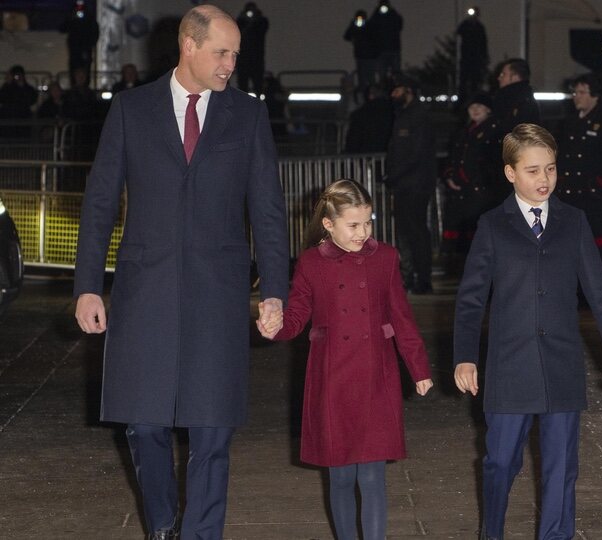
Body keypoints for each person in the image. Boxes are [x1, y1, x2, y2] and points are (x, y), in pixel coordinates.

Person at [73, 5, 289, 539]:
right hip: (144, 290)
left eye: (235, 54)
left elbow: (266, 209)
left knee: (212, 432)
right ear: (188, 46)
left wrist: (275, 291)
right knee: (144, 425)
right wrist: (86, 287)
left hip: (218, 293)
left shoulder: (248, 114)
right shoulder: (130, 109)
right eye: (221, 52)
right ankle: (165, 526)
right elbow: (100, 201)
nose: (229, 65)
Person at [453, 123, 602, 540]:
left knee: (561, 468)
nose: (544, 180)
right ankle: (492, 533)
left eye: (550, 169)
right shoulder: (492, 226)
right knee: (500, 462)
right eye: (532, 170)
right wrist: (465, 356)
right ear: (510, 173)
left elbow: (599, 290)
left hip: (561, 367)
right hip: (509, 366)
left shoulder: (574, 221)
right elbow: (470, 299)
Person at [268, 178, 433, 540]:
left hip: (377, 375)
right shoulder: (312, 263)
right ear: (329, 224)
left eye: (368, 222)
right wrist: (275, 326)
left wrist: (418, 368)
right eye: (354, 225)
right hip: (332, 380)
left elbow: (402, 317)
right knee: (341, 476)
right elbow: (296, 316)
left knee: (372, 475)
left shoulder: (385, 258)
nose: (363, 232)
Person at [557, 72, 602, 276]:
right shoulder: (568, 123)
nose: (576, 96)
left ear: (595, 95)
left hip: (594, 196)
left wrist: (600, 183)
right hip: (570, 194)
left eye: (581, 92)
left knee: (597, 248)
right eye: (575, 92)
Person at [383, 75, 436, 294]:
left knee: (416, 231)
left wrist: (394, 174)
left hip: (415, 183)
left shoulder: (418, 116)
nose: (393, 95)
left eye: (397, 90)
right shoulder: (404, 115)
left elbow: (416, 153)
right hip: (405, 183)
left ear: (409, 91)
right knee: (407, 231)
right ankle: (413, 276)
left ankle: (422, 278)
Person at [440, 92, 495, 275]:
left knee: (477, 229)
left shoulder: (493, 131)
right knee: (459, 230)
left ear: (488, 110)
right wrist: (450, 176)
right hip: (460, 191)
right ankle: (459, 268)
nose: (476, 110)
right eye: (472, 107)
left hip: (480, 190)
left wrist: (477, 181)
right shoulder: (463, 132)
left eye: (480, 107)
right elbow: (453, 158)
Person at [488, 58, 540, 202]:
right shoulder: (508, 99)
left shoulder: (519, 102)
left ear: (515, 77)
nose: (499, 78)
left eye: (503, 74)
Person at [343, 83, 393, 154]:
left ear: (370, 95)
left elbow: (354, 139)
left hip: (365, 153)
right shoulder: (394, 111)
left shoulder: (361, 114)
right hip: (388, 154)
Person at [60, 1, 99, 87]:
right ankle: (74, 87)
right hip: (74, 51)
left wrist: (89, 45)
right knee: (74, 68)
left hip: (85, 50)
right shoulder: (72, 18)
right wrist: (71, 17)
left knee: (85, 69)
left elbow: (95, 33)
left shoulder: (90, 19)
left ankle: (85, 87)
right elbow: (62, 29)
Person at [344, 9, 379, 100]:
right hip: (360, 57)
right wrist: (353, 26)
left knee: (371, 80)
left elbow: (375, 39)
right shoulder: (355, 27)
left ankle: (373, 98)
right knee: (362, 81)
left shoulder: (370, 26)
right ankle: (363, 98)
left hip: (370, 57)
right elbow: (346, 36)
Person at [235, 2, 269, 96]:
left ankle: (259, 107)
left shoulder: (261, 21)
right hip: (243, 60)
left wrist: (254, 20)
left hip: (257, 59)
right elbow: (238, 31)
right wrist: (244, 20)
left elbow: (263, 29)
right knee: (242, 88)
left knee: (258, 87)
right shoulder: (241, 22)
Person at [456, 6, 489, 100]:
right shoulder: (465, 25)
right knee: (463, 79)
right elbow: (459, 32)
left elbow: (484, 43)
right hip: (466, 57)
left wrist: (484, 57)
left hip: (476, 58)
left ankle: (474, 97)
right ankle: (462, 98)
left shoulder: (480, 27)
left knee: (475, 79)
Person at [0, 65, 38, 138]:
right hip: (8, 117)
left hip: (23, 117)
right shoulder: (7, 87)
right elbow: (2, 98)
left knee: (23, 139)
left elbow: (32, 100)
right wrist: (8, 83)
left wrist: (22, 87)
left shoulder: (28, 88)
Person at [369, 0, 403, 79]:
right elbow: (371, 27)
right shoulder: (376, 16)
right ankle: (384, 88)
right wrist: (377, 12)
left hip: (394, 49)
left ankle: (396, 88)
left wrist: (392, 11)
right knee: (382, 74)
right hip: (381, 51)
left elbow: (399, 25)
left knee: (396, 73)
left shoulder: (393, 15)